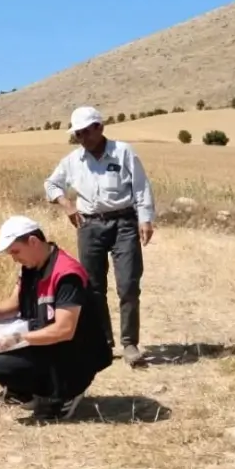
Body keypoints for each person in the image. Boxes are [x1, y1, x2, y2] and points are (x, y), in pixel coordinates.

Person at [43, 106, 155, 368]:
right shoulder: (72, 161)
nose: (82, 138)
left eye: (85, 132)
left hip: (124, 223)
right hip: (89, 225)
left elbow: (141, 187)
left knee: (128, 283)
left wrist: (145, 219)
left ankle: (130, 343)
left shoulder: (123, 152)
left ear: (99, 128)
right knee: (93, 288)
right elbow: (51, 184)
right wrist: (66, 204)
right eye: (78, 134)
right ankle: (104, 342)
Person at [0, 215, 113, 422]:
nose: (14, 258)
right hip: (47, 342)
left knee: (3, 364)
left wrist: (17, 338)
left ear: (33, 242)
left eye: (15, 251)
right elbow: (16, 301)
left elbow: (64, 330)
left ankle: (65, 394)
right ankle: (25, 393)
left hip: (73, 354)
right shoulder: (30, 267)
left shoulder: (67, 274)